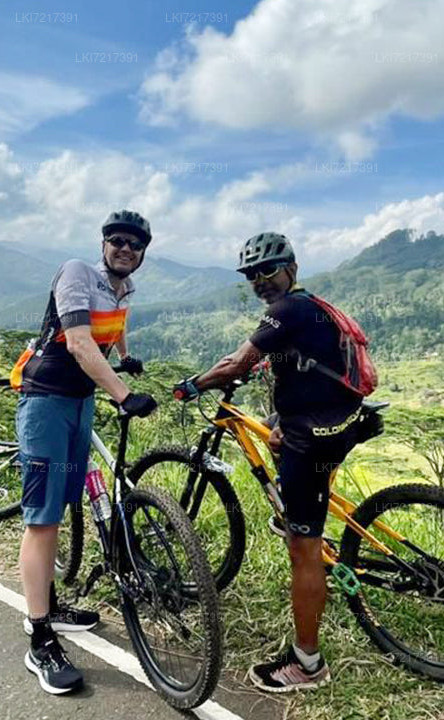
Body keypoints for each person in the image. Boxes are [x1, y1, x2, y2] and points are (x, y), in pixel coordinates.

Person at [173, 232, 362, 692]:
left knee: (304, 548)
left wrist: (193, 385)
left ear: (291, 269)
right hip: (339, 418)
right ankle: (301, 515)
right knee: (273, 429)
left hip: (313, 437)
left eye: (268, 270)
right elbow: (285, 357)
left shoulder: (286, 309)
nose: (260, 280)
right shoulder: (308, 306)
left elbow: (237, 364)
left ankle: (307, 666)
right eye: (252, 274)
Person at [15, 210, 158, 694]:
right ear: (103, 245)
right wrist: (123, 393)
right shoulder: (77, 272)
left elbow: (114, 324)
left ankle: (51, 606)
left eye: (135, 245)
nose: (125, 249)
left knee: (65, 501)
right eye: (118, 241)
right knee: (44, 518)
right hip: (46, 402)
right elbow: (78, 341)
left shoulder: (124, 288)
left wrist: (123, 357)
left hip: (80, 404)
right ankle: (39, 638)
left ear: (142, 254)